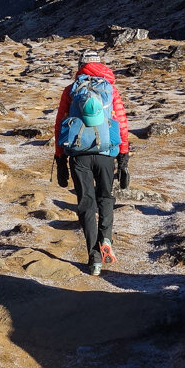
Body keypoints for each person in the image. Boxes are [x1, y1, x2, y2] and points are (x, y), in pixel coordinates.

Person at [53, 50, 130, 275]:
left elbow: (60, 124)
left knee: (86, 204)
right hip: (106, 153)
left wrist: (60, 158)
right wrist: (123, 157)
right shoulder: (110, 88)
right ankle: (106, 237)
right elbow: (122, 122)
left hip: (79, 155)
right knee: (105, 197)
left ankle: (94, 259)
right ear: (100, 65)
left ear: (80, 65)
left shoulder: (71, 90)